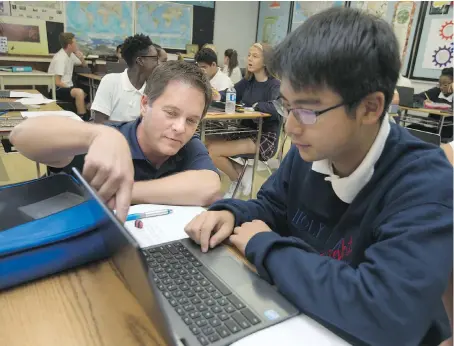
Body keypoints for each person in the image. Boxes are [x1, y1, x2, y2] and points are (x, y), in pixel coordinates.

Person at [185, 8, 453, 346]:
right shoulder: (310, 150)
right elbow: (271, 206)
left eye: (308, 110)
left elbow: (387, 314)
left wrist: (266, 246)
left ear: (370, 107)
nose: (292, 127)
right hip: (304, 321)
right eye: (286, 106)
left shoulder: (424, 182)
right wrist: (231, 212)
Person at [10, 61, 221, 221]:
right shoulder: (108, 140)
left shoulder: (189, 145)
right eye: (171, 113)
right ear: (145, 104)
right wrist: (95, 135)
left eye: (191, 120)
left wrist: (123, 191)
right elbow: (21, 136)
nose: (180, 127)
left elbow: (209, 187)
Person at [208, 42, 281, 198]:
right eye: (249, 55)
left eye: (255, 56)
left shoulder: (275, 85)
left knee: (213, 151)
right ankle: (241, 173)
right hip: (243, 132)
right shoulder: (248, 82)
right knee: (207, 144)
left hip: (264, 137)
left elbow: (277, 108)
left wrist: (255, 106)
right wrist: (216, 95)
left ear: (266, 61)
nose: (250, 59)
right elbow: (230, 92)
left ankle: (236, 180)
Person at [91, 34, 159, 123]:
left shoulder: (153, 89)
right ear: (140, 61)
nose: (158, 64)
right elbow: (99, 122)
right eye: (155, 59)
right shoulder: (110, 82)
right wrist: (133, 127)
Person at [48, 32, 89, 120]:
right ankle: (83, 119)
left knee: (85, 92)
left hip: (66, 86)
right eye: (75, 43)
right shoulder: (60, 58)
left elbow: (84, 65)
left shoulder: (70, 55)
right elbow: (57, 82)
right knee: (79, 92)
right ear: (70, 45)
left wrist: (81, 57)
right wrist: (71, 89)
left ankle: (81, 115)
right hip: (56, 89)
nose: (77, 45)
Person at [414, 67, 453, 139]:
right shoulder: (436, 91)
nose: (441, 87)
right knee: (409, 129)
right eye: (439, 84)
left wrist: (436, 105)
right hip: (429, 125)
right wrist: (423, 102)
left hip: (446, 131)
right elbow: (415, 98)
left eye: (445, 85)